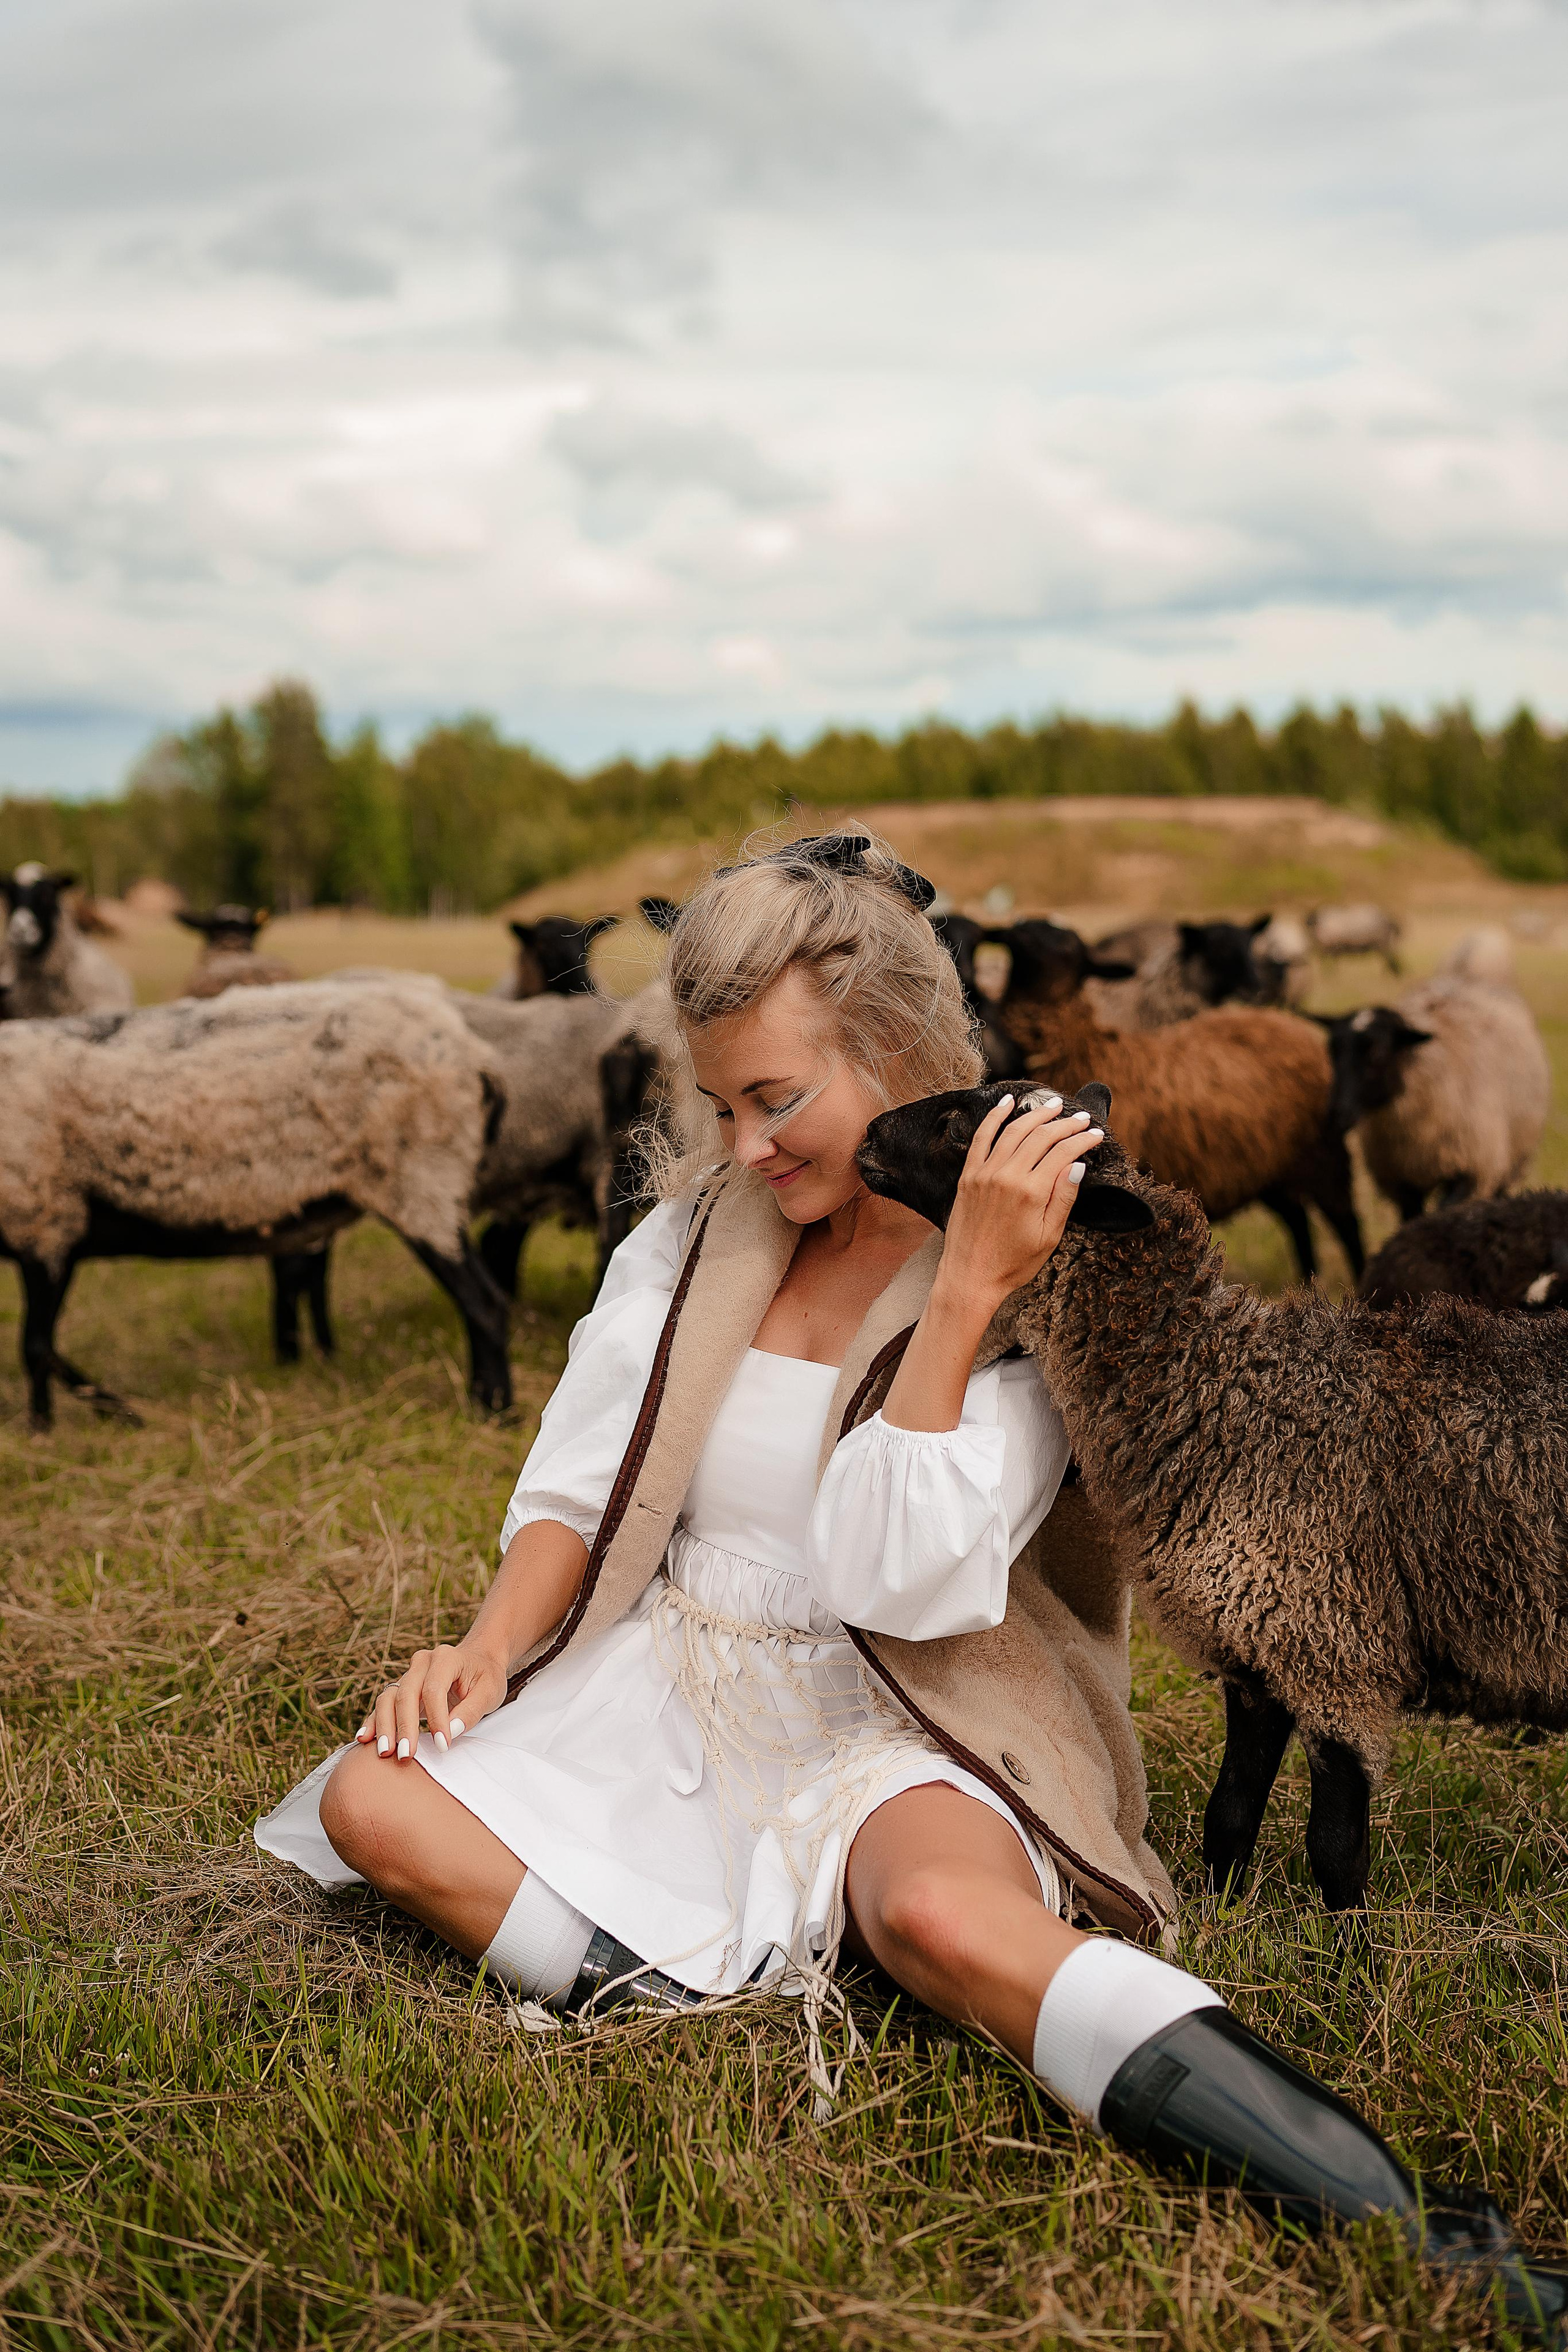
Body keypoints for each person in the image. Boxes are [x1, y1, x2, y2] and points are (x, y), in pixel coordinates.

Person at [257, 834, 1564, 2337]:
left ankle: (1433, 2238)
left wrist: (958, 1295)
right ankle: (697, 1976)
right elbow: (582, 1480)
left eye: (776, 1098)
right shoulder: (689, 1245)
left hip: (906, 1695)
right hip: (677, 1668)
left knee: (945, 1919)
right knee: (372, 1800)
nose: (742, 1145)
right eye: (718, 1102)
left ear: (891, 1049)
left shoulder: (1040, 1285)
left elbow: (904, 1580)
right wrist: (485, 1646)